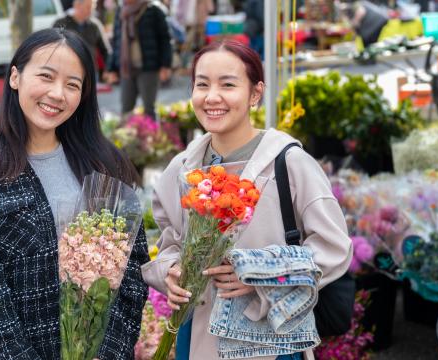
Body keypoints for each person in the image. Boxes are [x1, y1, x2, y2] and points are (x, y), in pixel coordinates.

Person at [141, 40, 352, 359]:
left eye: (228, 84)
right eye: (202, 84)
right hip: (196, 335)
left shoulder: (289, 163)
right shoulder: (183, 169)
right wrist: (170, 272)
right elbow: (171, 243)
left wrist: (259, 276)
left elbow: (334, 248)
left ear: (255, 93)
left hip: (265, 339)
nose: (212, 97)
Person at [0, 28, 149, 359]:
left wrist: (108, 353)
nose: (58, 94)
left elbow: (133, 272)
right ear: (15, 77)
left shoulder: (105, 164)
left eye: (73, 84)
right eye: (46, 76)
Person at [105, 0, 173, 120]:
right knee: (126, 108)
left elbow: (165, 39)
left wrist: (165, 65)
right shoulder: (121, 10)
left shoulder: (154, 9)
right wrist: (112, 68)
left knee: (149, 109)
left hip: (149, 67)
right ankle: (126, 137)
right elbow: (116, 41)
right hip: (126, 68)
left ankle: (152, 137)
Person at [53, 0, 111, 78]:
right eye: (88, 7)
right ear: (77, 5)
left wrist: (107, 70)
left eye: (93, 8)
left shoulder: (95, 26)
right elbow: (52, 48)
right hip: (66, 71)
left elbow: (106, 50)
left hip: (90, 72)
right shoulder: (60, 23)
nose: (91, 10)